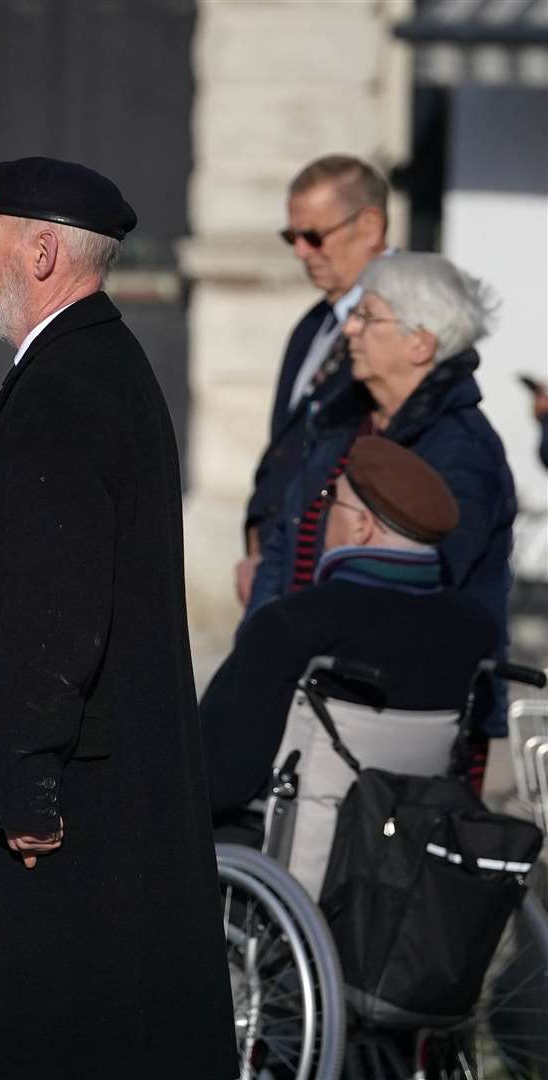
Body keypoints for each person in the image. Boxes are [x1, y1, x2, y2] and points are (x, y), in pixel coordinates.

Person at [0, 157, 235, 1078]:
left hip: (66, 807)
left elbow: (57, 608)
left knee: (47, 1027)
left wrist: (24, 785)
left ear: (44, 251)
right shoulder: (71, 365)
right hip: (75, 783)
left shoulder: (69, 385)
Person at [246, 253, 516, 737]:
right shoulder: (345, 423)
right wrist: (261, 647)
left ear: (420, 343)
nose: (349, 330)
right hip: (309, 683)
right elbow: (284, 541)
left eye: (367, 316)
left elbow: (425, 585)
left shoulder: (462, 450)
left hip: (405, 709)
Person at [205, 436, 497, 827]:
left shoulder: (291, 624)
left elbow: (218, 781)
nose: (322, 510)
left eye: (329, 497)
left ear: (361, 527)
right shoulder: (473, 629)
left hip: (295, 850)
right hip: (405, 848)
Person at [237, 155, 391, 605]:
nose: (300, 252)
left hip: (339, 577)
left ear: (369, 226)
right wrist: (256, 549)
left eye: (314, 236)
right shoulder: (313, 326)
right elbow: (283, 448)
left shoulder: (407, 320)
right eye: (292, 237)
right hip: (279, 573)